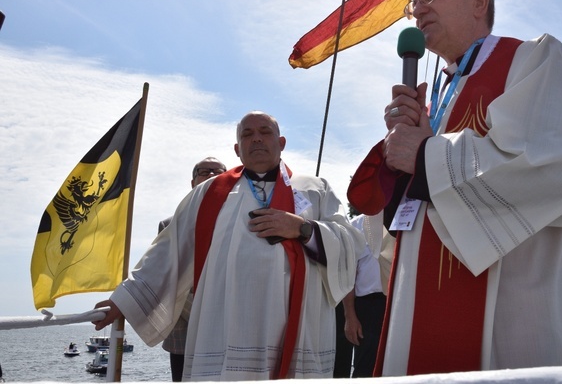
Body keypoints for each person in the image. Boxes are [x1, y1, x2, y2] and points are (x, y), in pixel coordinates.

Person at [347, 0, 562, 375]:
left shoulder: (532, 60)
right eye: (414, 5)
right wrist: (403, 155)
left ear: (478, 0)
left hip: (513, 305)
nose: (418, 10)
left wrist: (428, 157)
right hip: (419, 296)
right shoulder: (441, 94)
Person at [93, 111, 361, 381]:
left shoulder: (314, 189)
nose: (256, 139)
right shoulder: (208, 193)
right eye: (247, 134)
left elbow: (350, 243)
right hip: (226, 331)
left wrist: (302, 229)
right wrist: (125, 301)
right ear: (237, 149)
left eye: (265, 132)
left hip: (300, 325)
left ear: (281, 142)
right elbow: (168, 252)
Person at [158, 157, 227, 382]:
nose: (212, 175)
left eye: (219, 172)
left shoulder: (239, 222)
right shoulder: (170, 225)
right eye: (205, 171)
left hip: (227, 328)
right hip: (183, 333)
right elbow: (164, 274)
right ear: (192, 181)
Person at [334, 212, 394, 378]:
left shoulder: (406, 217)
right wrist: (349, 316)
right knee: (365, 370)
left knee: (397, 366)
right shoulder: (355, 226)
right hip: (368, 308)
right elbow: (348, 276)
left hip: (399, 303)